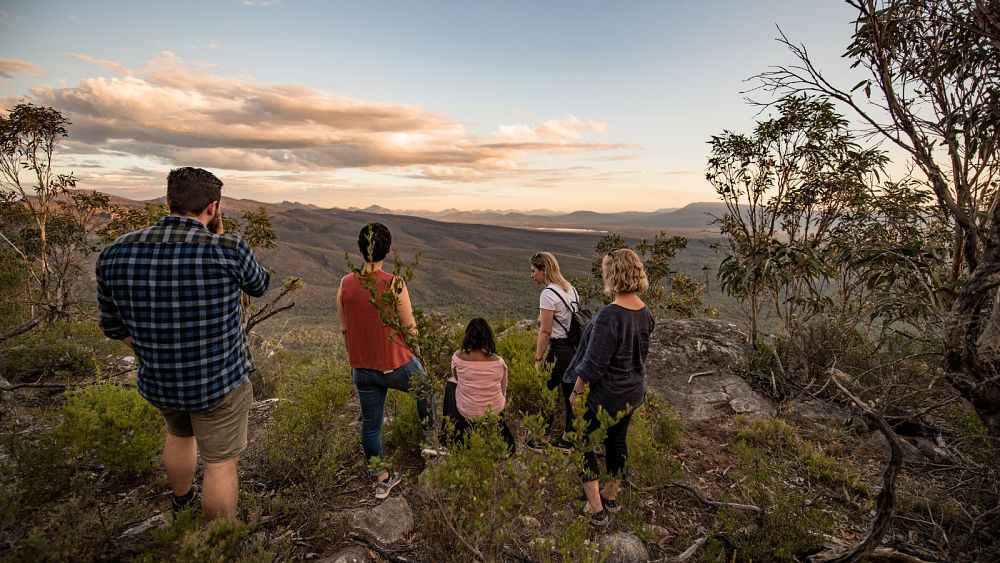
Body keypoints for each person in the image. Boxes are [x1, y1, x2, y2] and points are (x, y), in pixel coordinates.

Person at [96, 167, 270, 521]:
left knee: (178, 433)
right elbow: (260, 284)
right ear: (213, 207)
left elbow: (113, 326)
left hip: (160, 380)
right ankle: (215, 541)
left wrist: (153, 347)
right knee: (220, 464)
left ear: (168, 201)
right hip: (219, 380)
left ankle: (181, 502)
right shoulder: (228, 248)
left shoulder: (115, 253)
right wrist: (218, 236)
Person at [338, 223, 435, 500]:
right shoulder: (394, 283)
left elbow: (345, 330)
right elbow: (410, 327)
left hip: (363, 370)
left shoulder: (345, 284)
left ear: (360, 248)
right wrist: (420, 355)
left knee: (371, 425)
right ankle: (431, 442)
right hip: (396, 365)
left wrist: (353, 362)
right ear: (389, 250)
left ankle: (382, 479)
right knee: (425, 389)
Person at [564, 248, 655, 527]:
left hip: (605, 394)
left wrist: (577, 392)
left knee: (580, 441)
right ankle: (611, 495)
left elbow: (593, 364)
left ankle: (596, 508)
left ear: (612, 274)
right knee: (616, 441)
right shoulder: (645, 312)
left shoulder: (609, 315)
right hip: (632, 391)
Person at [528, 251, 580, 451]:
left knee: (548, 392)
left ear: (544, 270)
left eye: (534, 271)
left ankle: (543, 438)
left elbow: (546, 330)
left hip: (559, 349)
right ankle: (568, 438)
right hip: (575, 349)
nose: (532, 275)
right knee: (570, 394)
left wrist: (538, 357)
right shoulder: (571, 289)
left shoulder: (548, 294)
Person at [449, 318, 516, 452]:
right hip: (494, 411)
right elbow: (503, 390)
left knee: (451, 384)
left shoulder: (457, 358)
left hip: (466, 411)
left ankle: (453, 430)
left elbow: (456, 378)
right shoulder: (499, 362)